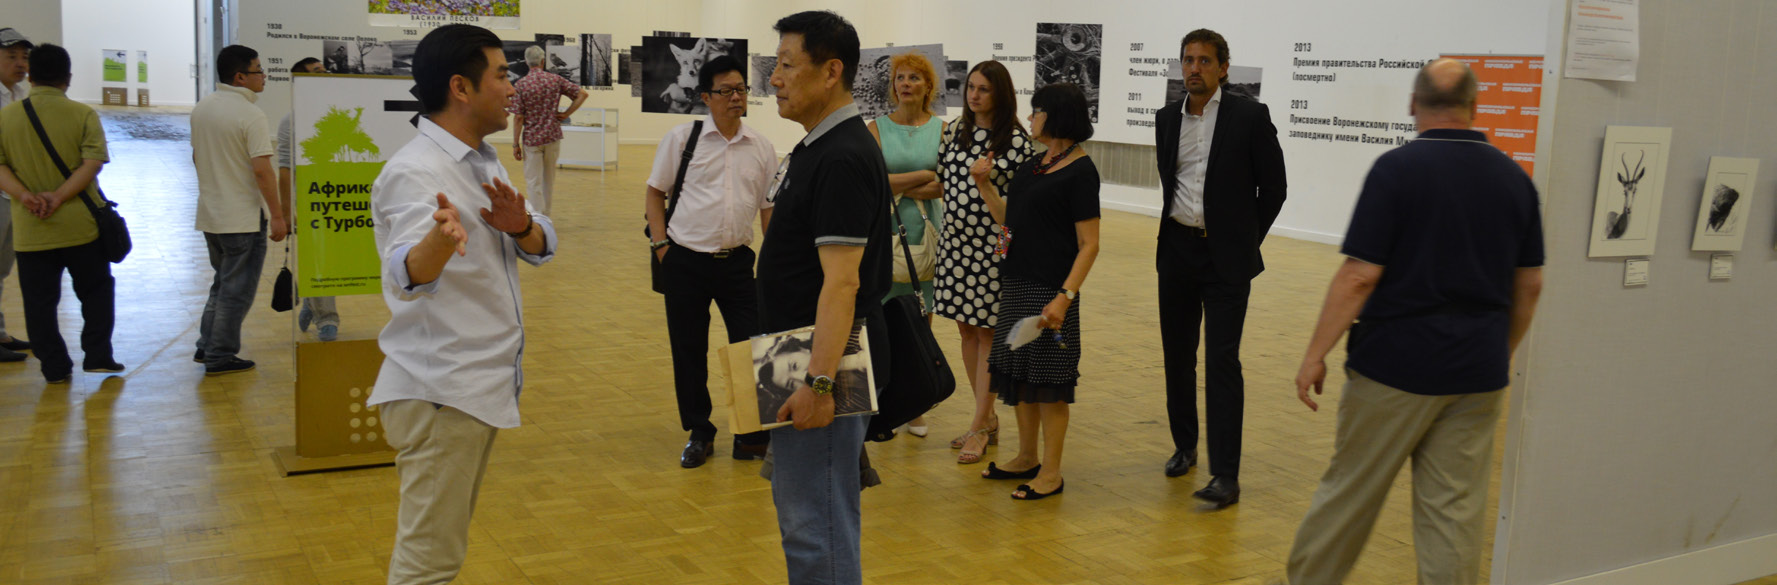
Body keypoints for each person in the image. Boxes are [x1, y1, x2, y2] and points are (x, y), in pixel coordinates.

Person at [1285, 58, 1544, 585]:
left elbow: (1360, 276)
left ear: (1412, 104)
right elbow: (1531, 285)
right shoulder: (1515, 179)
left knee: (1350, 495)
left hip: (1395, 368)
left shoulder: (1396, 170)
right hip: (1476, 371)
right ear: (1474, 107)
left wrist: (1315, 354)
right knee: (1453, 514)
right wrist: (1500, 350)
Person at [367, 24, 557, 585]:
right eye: (501, 75)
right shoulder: (416, 171)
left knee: (438, 558)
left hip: (470, 389)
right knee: (428, 565)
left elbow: (542, 241)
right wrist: (437, 242)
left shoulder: (481, 160)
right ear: (461, 88)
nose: (513, 88)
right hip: (440, 394)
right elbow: (406, 272)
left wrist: (520, 226)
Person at [761, 11, 892, 584]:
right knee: (807, 513)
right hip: (795, 353)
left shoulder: (841, 155)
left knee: (817, 524)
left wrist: (819, 385)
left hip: (824, 359)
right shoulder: (819, 147)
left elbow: (843, 282)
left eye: (788, 65)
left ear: (831, 71)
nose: (775, 78)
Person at [1153, 29, 1286, 507]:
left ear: (1223, 68)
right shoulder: (1166, 118)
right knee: (1177, 356)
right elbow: (1173, 182)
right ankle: (1184, 446)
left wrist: (1244, 241)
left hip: (1225, 258)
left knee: (1222, 362)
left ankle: (1226, 475)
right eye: (1188, 60)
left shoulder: (1249, 116)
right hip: (1177, 251)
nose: (1195, 68)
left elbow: (1274, 189)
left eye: (1205, 60)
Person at [644, 55, 778, 469]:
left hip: (737, 264)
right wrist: (662, 247)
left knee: (751, 348)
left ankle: (750, 435)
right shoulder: (682, 139)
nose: (736, 97)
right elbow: (655, 193)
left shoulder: (761, 147)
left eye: (741, 89)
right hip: (684, 261)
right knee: (688, 349)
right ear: (705, 97)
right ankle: (700, 431)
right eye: (726, 91)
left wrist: (773, 261)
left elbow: (768, 208)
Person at [976, 83, 1100, 501]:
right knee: (1019, 375)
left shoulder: (1081, 171)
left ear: (1056, 114)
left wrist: (1065, 296)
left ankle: (1051, 472)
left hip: (1050, 290)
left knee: (1049, 382)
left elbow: (1089, 244)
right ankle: (1026, 456)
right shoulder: (1032, 166)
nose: (1030, 118)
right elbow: (1009, 223)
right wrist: (984, 186)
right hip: (1016, 283)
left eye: (1036, 111)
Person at [0, 43, 119, 384]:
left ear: (31, 76)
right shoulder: (82, 114)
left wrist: (25, 196)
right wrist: (59, 196)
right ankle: (97, 355)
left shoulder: (6, 117)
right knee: (96, 291)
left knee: (39, 303)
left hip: (31, 228)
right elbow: (92, 164)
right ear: (68, 78)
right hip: (80, 226)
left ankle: (54, 366)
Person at [934, 60, 1032, 464]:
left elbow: (1017, 211)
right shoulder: (954, 130)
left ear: (1000, 94)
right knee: (966, 331)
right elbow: (943, 181)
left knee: (989, 334)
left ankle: (978, 425)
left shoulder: (1017, 142)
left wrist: (985, 184)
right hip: (955, 243)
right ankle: (986, 418)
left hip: (994, 245)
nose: (973, 95)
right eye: (970, 87)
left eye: (983, 89)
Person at [190, 44, 288, 376]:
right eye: (259, 70)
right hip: (242, 219)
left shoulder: (202, 108)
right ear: (240, 77)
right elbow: (262, 170)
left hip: (211, 215)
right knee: (236, 291)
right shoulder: (251, 114)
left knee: (221, 284)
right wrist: (278, 215)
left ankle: (206, 345)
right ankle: (220, 355)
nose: (264, 76)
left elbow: (196, 157)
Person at [864, 50, 944, 438]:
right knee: (881, 318)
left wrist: (897, 183)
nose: (906, 84)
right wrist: (922, 175)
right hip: (885, 232)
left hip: (926, 232)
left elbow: (944, 185)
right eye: (900, 77)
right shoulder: (875, 128)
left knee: (920, 319)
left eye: (914, 78)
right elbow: (872, 182)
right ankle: (881, 400)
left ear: (928, 86)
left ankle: (915, 404)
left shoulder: (942, 129)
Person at [276, 57, 342, 342]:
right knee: (319, 259)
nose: (324, 75)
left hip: (341, 200)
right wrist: (286, 212)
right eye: (317, 72)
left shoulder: (338, 113)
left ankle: (311, 301)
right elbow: (285, 170)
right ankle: (327, 318)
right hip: (310, 201)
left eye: (325, 70)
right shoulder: (291, 121)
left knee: (334, 260)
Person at [508, 44, 588, 216]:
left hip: (532, 140)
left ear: (527, 62)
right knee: (548, 180)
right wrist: (566, 113)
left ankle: (538, 218)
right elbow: (582, 94)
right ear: (543, 61)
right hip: (552, 136)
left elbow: (518, 118)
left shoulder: (521, 85)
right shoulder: (555, 80)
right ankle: (546, 216)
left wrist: (515, 144)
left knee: (533, 182)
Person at [0, 27, 34, 362]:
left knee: (2, 268)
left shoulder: (19, 94)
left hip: (10, 196)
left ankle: (0, 333)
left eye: (24, 57)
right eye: (12, 56)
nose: (20, 63)